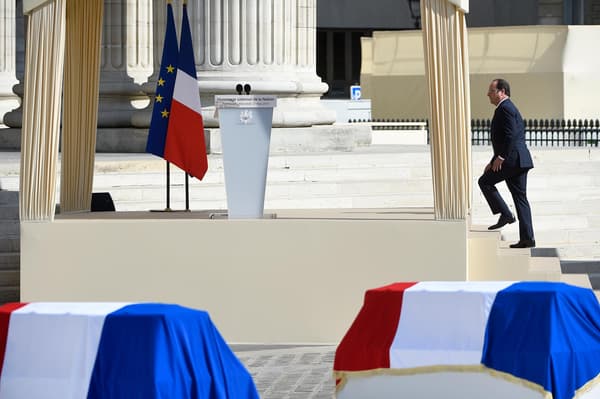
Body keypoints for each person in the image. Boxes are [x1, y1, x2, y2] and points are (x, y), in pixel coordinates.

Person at [478, 78, 535, 248]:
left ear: (502, 91)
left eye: (492, 91)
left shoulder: (506, 108)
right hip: (519, 160)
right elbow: (505, 139)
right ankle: (528, 238)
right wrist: (492, 161)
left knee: (484, 182)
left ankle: (505, 214)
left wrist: (501, 158)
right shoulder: (506, 108)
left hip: (511, 160)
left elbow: (510, 136)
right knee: (520, 198)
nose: (488, 94)